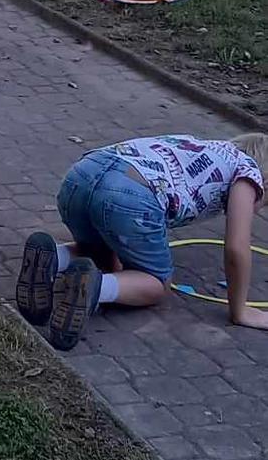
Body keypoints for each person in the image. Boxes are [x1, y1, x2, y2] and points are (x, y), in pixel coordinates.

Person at [16, 133, 268, 351]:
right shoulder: (249, 172)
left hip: (80, 176)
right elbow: (236, 247)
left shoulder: (197, 146)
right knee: (155, 283)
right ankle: (94, 286)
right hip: (129, 195)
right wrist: (240, 310)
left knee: (103, 255)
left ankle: (53, 257)